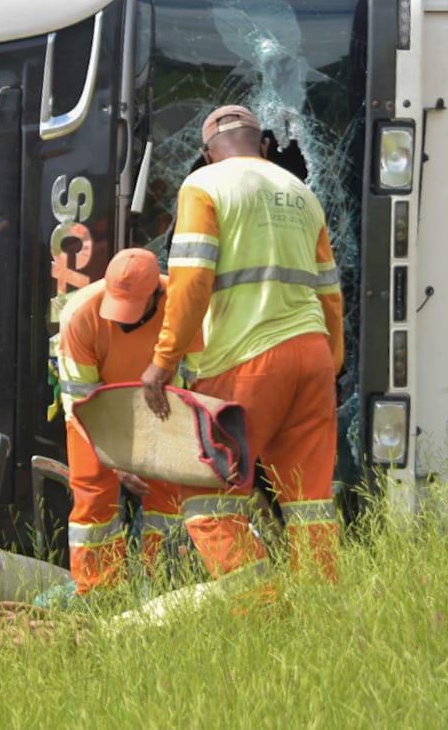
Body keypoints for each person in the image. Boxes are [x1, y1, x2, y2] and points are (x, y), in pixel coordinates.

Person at [140, 104, 344, 581]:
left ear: (207, 154)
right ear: (265, 145)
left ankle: (259, 610)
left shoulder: (205, 185)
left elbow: (191, 283)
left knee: (208, 495)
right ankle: (322, 610)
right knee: (310, 499)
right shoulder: (302, 193)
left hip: (245, 359)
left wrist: (164, 359)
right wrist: (331, 364)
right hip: (313, 357)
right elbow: (330, 294)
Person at [54, 247, 198, 595]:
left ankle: (163, 583)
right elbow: (82, 402)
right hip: (97, 410)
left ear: (156, 295)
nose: (122, 319)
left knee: (167, 495)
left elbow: (196, 378)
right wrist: (118, 461)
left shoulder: (182, 308)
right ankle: (98, 592)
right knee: (93, 496)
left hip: (163, 405)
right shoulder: (80, 315)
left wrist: (176, 429)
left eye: (132, 310)